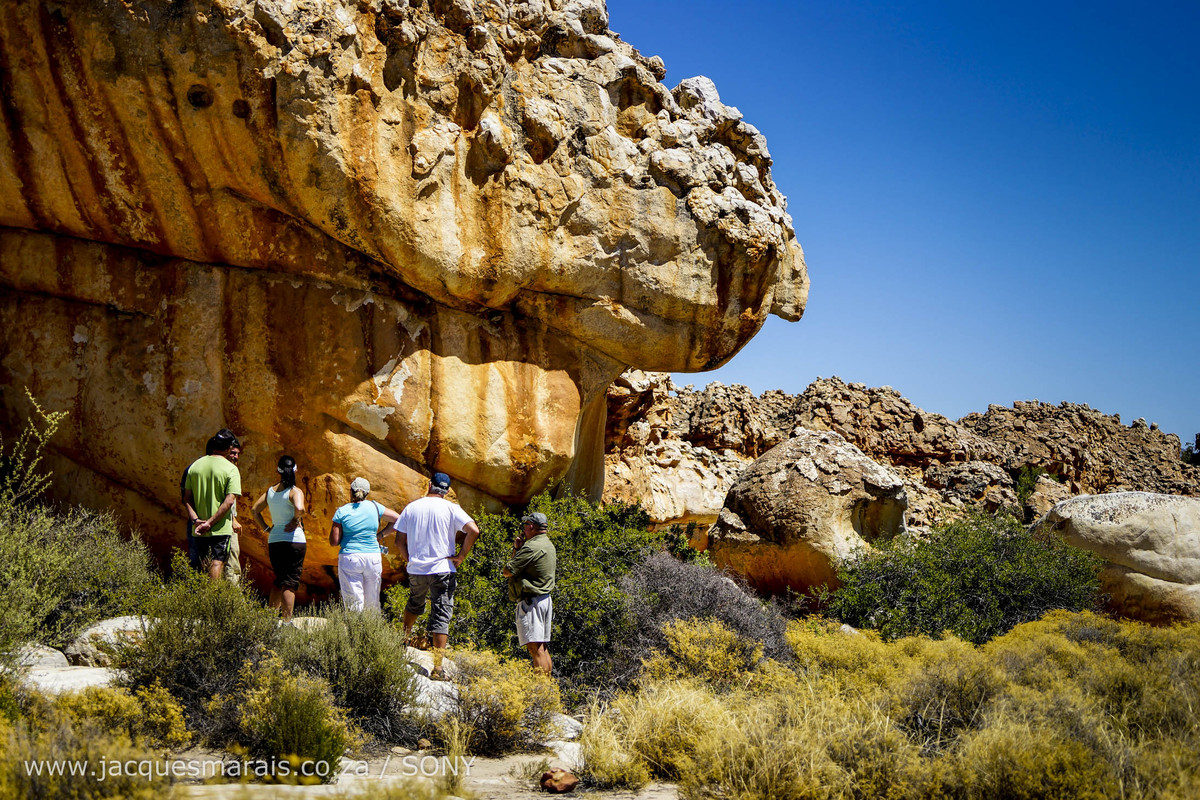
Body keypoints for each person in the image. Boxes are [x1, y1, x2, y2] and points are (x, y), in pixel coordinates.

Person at [394, 472, 480, 679]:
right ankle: (438, 668)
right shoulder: (451, 508)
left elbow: (399, 541)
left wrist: (409, 559)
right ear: (448, 490)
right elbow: (473, 530)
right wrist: (460, 556)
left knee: (414, 603)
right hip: (443, 568)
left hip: (417, 568)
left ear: (429, 485)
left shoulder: (412, 507)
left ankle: (402, 642)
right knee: (441, 613)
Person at [329, 477, 400, 612]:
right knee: (372, 601)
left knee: (353, 602)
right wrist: (379, 536)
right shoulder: (374, 507)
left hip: (351, 557)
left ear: (351, 492)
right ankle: (371, 631)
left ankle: (356, 632)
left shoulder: (342, 511)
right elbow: (398, 519)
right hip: (372, 556)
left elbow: (334, 541)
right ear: (367, 493)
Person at [183, 429, 242, 581]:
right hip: (220, 528)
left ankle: (201, 596)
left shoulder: (195, 466)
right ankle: (211, 599)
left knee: (202, 563)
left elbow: (186, 498)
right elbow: (229, 500)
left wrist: (196, 520)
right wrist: (209, 523)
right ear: (229, 447)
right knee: (216, 563)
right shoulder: (231, 469)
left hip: (198, 527)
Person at [252, 455, 306, 620]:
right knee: (289, 582)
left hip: (275, 540)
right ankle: (287, 622)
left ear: (278, 471)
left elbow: (254, 510)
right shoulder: (295, 491)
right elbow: (299, 507)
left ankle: (270, 618)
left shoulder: (270, 491)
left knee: (279, 579)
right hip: (294, 540)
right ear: (295, 470)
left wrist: (267, 528)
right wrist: (295, 520)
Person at [503, 511, 557, 674]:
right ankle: (546, 691)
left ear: (532, 526)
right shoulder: (547, 544)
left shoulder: (531, 547)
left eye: (525, 526)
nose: (524, 529)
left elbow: (508, 570)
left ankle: (540, 693)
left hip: (531, 602)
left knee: (535, 650)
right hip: (543, 599)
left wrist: (516, 549)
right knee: (542, 648)